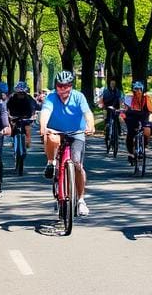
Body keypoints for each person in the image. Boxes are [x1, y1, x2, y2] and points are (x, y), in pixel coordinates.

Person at [39, 70, 95, 216]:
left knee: (77, 165)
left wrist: (91, 125)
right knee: (51, 138)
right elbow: (45, 112)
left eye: (67, 86)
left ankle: (81, 200)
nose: (63, 89)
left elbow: (87, 113)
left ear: (71, 86)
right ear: (55, 85)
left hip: (76, 132)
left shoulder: (79, 97)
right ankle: (51, 162)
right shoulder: (51, 97)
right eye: (60, 86)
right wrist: (43, 126)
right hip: (56, 131)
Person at [122, 80, 152, 162]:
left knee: (147, 131)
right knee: (130, 134)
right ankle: (130, 153)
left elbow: (151, 110)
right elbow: (125, 109)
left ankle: (143, 147)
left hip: (144, 117)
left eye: (139, 89)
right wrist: (124, 113)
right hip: (132, 118)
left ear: (142, 90)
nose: (137, 91)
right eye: (135, 89)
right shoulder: (129, 98)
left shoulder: (147, 99)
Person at [6, 81, 38, 148]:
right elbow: (6, 107)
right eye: (19, 93)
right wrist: (8, 115)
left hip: (26, 116)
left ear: (25, 93)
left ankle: (28, 141)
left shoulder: (29, 98)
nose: (21, 95)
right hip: (14, 116)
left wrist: (33, 115)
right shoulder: (12, 98)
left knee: (27, 129)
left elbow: (35, 107)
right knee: (13, 126)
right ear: (16, 92)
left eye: (23, 93)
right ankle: (13, 139)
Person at [99, 79, 124, 144]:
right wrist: (101, 105)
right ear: (109, 84)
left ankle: (119, 132)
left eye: (114, 83)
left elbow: (121, 100)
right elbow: (101, 99)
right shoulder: (105, 91)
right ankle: (106, 131)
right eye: (111, 83)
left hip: (115, 108)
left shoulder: (119, 92)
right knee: (106, 119)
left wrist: (121, 108)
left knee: (117, 119)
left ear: (115, 84)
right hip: (107, 107)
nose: (112, 84)